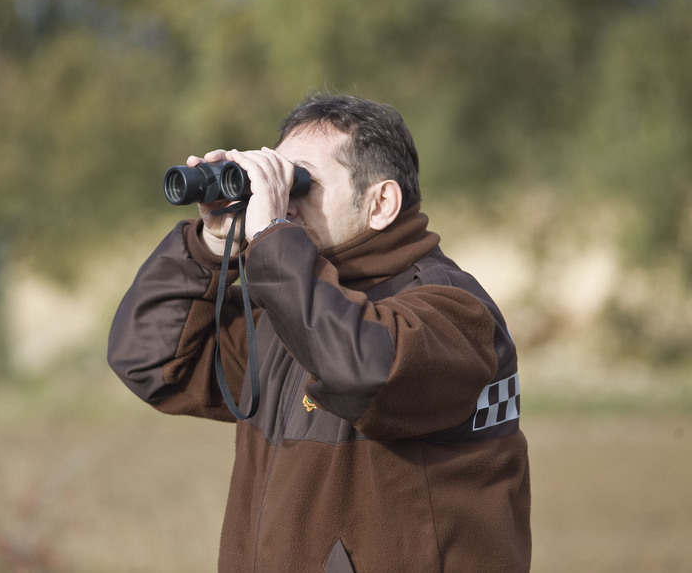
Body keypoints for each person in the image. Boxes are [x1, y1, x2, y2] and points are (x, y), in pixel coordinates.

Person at [107, 93, 531, 572]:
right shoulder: (292, 306)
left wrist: (274, 242)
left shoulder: (453, 311)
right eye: (277, 179)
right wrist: (210, 244)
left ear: (381, 203)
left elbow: (365, 372)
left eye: (300, 183)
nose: (282, 200)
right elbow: (151, 360)